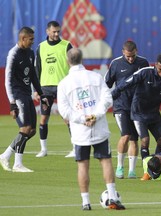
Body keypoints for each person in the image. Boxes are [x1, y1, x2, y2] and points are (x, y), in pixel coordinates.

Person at [57, 48, 125, 210]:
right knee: (106, 161)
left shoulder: (64, 83)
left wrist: (82, 118)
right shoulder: (95, 76)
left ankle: (85, 202)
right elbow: (107, 98)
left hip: (80, 132)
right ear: (82, 60)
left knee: (82, 165)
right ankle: (112, 196)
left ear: (68, 62)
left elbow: (64, 110)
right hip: (99, 127)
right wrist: (95, 115)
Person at [0, 27, 49, 172]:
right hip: (17, 94)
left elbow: (33, 75)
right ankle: (17, 164)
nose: (33, 42)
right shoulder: (13, 54)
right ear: (23, 39)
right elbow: (7, 81)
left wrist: (41, 94)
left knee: (32, 130)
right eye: (31, 39)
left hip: (27, 94)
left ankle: (5, 155)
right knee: (25, 128)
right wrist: (12, 103)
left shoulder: (30, 53)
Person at [104, 40, 149, 179]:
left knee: (134, 139)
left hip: (137, 106)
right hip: (120, 106)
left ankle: (131, 171)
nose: (130, 59)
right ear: (123, 52)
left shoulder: (143, 63)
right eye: (128, 56)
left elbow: (148, 82)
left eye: (133, 56)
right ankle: (119, 167)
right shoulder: (116, 63)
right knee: (126, 136)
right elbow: (106, 84)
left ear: (136, 51)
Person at [34, 20, 74, 158]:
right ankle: (43, 149)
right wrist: (36, 89)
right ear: (47, 32)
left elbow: (73, 65)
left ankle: (75, 148)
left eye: (58, 31)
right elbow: (37, 69)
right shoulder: (41, 47)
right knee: (43, 119)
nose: (56, 34)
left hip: (63, 88)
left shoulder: (67, 45)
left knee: (67, 118)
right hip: (45, 88)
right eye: (54, 31)